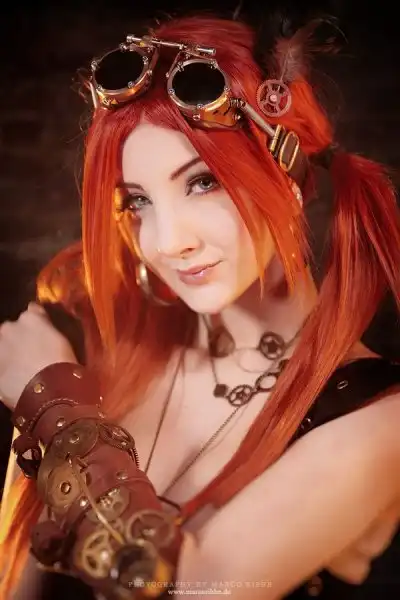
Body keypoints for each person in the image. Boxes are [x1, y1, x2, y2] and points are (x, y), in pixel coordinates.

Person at [0, 11, 400, 600]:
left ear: (286, 176)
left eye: (202, 182)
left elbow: (186, 591)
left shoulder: (379, 422)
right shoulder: (98, 354)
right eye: (138, 201)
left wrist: (53, 406)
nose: (168, 241)